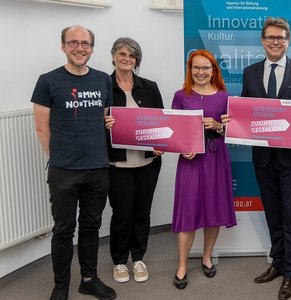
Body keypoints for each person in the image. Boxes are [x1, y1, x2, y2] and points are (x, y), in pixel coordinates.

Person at [223, 17, 291, 300]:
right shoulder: (251, 72)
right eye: (270, 37)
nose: (275, 42)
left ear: (288, 41)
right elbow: (245, 109)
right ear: (262, 41)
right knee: (273, 213)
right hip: (262, 157)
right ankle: (277, 262)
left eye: (281, 38)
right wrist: (233, 119)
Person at [31, 25, 117, 300]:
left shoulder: (103, 80)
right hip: (64, 170)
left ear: (92, 48)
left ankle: (89, 279)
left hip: (98, 168)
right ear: (63, 46)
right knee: (64, 229)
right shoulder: (47, 81)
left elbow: (104, 119)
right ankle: (61, 285)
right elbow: (42, 129)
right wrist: (59, 159)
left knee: (91, 226)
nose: (80, 48)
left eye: (86, 43)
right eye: (73, 43)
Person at [170, 49, 237, 290]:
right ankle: (182, 265)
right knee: (188, 214)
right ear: (190, 70)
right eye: (196, 68)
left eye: (205, 68)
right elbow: (174, 130)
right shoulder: (180, 95)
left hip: (216, 157)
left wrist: (219, 126)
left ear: (213, 71)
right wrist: (182, 147)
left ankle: (207, 257)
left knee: (213, 209)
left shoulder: (223, 97)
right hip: (190, 159)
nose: (201, 72)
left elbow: (234, 131)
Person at [104, 37, 164, 284]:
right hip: (117, 165)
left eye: (132, 56)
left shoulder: (149, 86)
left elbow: (161, 120)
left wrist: (162, 143)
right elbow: (90, 122)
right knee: (121, 214)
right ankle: (119, 262)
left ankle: (138, 258)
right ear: (114, 56)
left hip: (147, 164)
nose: (127, 59)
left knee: (142, 213)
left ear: (137, 60)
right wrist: (103, 123)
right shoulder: (102, 86)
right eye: (122, 54)